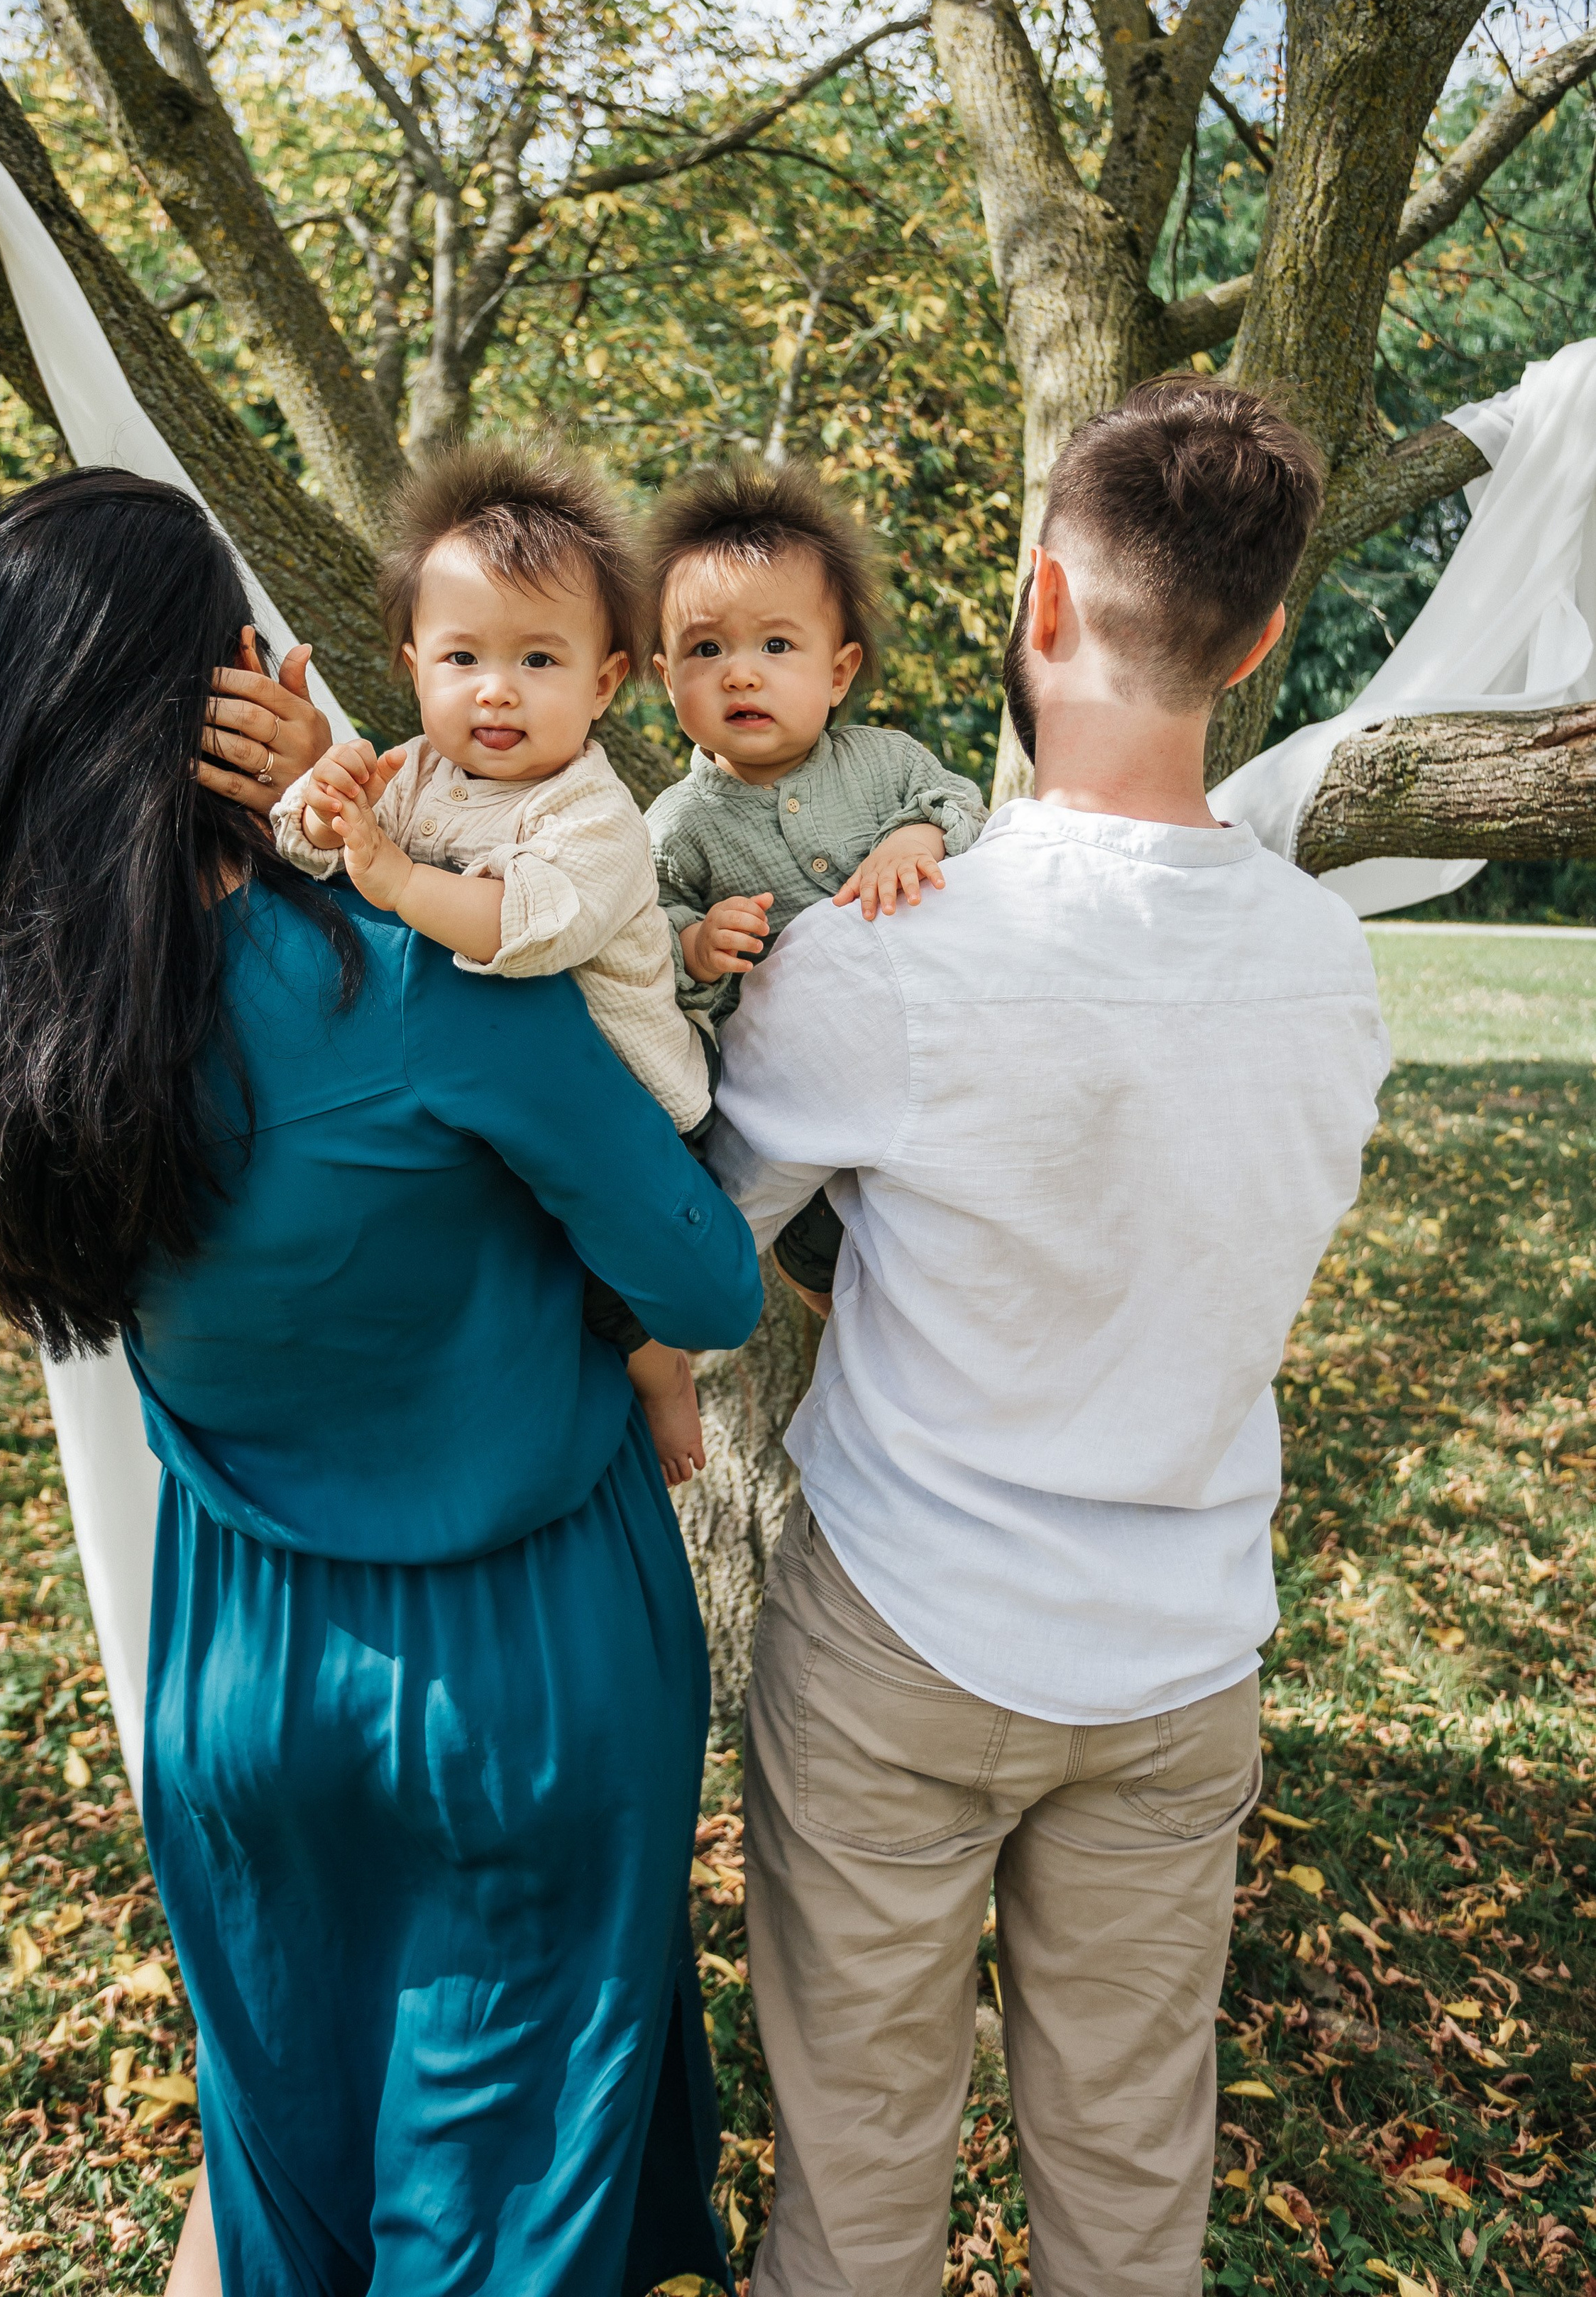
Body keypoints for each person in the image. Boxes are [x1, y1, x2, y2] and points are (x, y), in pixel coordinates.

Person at [0, 466, 764, 2297]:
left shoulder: (12, 1050)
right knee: (496, 2223)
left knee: (289, 2169)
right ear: (230, 683)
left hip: (236, 1675)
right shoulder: (420, 988)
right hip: (518, 1672)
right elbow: (701, 1277)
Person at [708, 381, 1392, 2297]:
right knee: (1130, 2198)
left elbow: (693, 1250)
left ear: (1038, 606)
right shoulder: (1333, 970)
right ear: (1257, 645)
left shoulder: (888, 951)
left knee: (857, 2199)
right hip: (1181, 1660)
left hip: (907, 1642)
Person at [273, 439, 715, 1485]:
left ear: (605, 682)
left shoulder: (593, 814)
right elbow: (303, 847)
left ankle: (669, 1383)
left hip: (632, 1113)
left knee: (619, 1291)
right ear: (413, 667)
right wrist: (323, 795)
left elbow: (531, 930)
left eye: (539, 660)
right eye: (464, 659)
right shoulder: (413, 773)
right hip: (509, 1102)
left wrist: (394, 882)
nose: (497, 693)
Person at [644, 457, 986, 1293]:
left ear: (838, 673)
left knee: (948, 1228)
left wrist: (917, 833)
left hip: (929, 1053)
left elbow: (965, 808)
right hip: (781, 1102)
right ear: (665, 681)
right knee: (829, 1255)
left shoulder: (883, 762)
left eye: (775, 645)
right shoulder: (677, 825)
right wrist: (692, 945)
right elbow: (637, 937)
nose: (741, 672)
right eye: (706, 650)